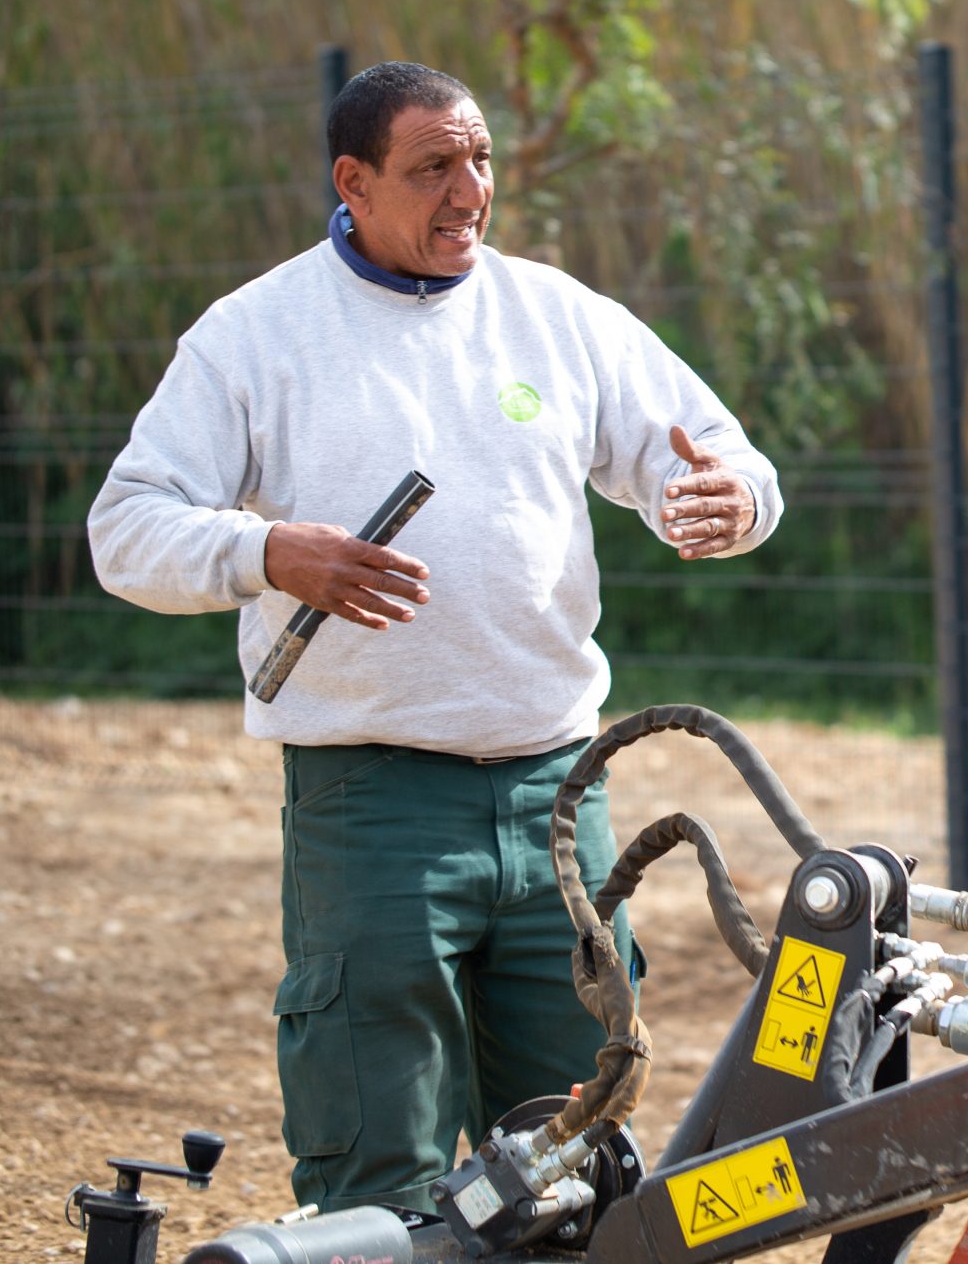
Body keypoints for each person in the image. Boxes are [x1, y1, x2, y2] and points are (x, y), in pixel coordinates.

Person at [88, 61, 785, 1212]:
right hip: (370, 807)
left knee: (577, 1169)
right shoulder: (257, 335)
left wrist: (731, 503)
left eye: (481, 160)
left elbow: (713, 452)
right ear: (352, 182)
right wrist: (268, 553)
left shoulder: (558, 317)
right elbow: (127, 529)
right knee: (379, 1176)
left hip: (563, 796)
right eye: (433, 168)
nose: (470, 191)